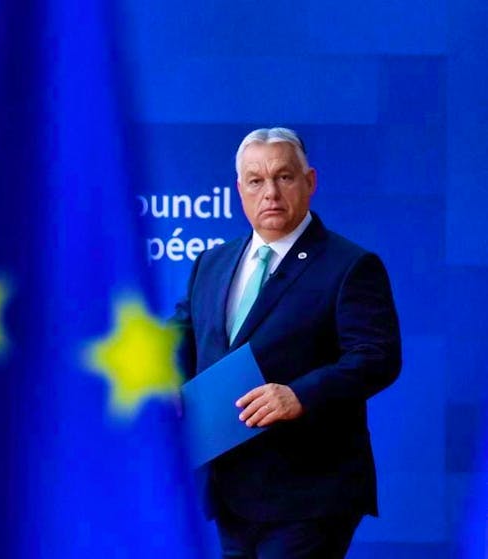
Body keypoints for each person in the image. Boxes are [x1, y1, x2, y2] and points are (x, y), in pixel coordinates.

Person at [174, 127, 401, 558]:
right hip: (229, 488)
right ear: (239, 190)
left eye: (284, 177)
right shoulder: (213, 261)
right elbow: (184, 331)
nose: (270, 193)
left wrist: (300, 395)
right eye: (256, 181)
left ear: (310, 182)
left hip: (309, 493)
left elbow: (377, 357)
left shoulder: (351, 266)